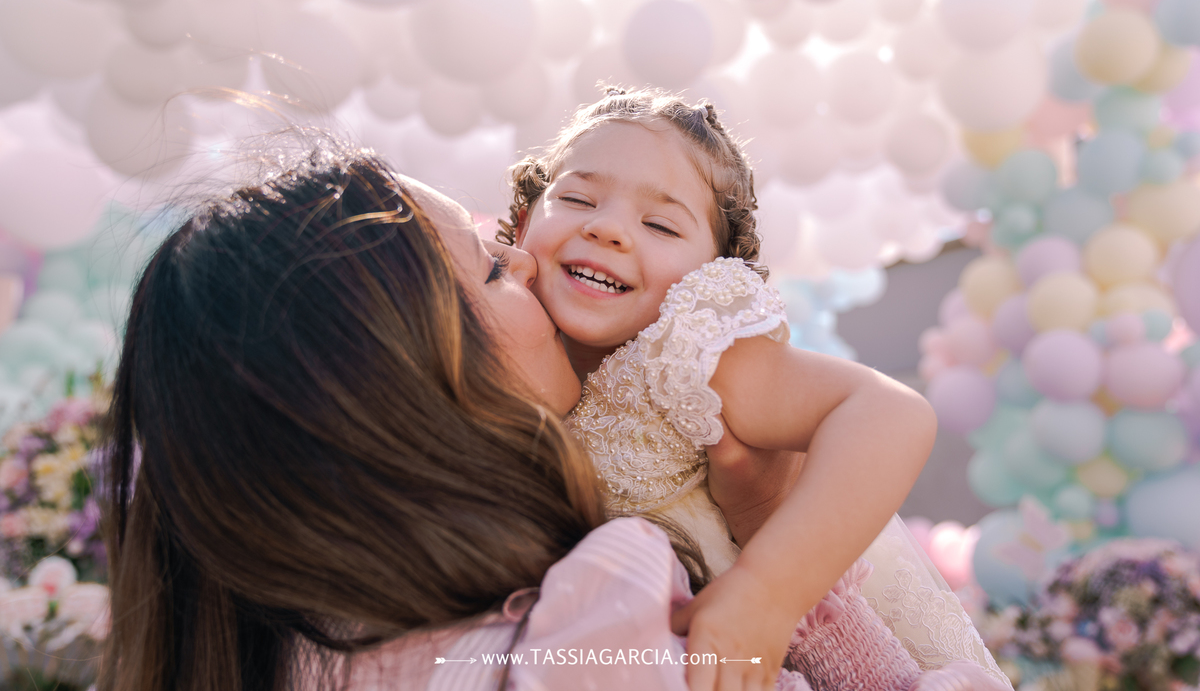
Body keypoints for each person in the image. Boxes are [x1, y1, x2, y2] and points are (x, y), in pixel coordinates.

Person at [97, 130, 818, 691]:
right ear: (404, 382)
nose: (528, 260)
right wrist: (775, 552)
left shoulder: (272, 651)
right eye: (494, 268)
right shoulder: (595, 612)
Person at [498, 88, 1012, 690]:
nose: (608, 228)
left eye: (661, 224)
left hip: (813, 646)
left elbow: (889, 411)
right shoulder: (492, 351)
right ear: (524, 220)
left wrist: (769, 592)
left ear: (713, 269)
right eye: (578, 198)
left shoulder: (689, 350)